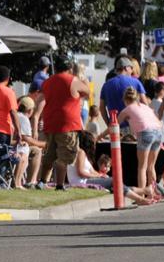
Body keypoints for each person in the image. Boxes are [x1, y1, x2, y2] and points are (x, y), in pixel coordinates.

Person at [37, 55, 91, 190]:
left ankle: (42, 181)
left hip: (51, 122)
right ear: (70, 67)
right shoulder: (73, 80)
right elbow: (87, 92)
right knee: (65, 154)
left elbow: (42, 98)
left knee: (50, 154)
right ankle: (60, 185)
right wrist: (83, 81)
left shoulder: (47, 81)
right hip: (68, 124)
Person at [117, 86, 163, 199]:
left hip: (145, 133)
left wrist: (99, 137)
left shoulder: (127, 109)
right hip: (158, 132)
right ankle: (153, 193)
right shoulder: (145, 107)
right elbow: (157, 121)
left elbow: (113, 126)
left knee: (142, 167)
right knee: (151, 167)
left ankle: (142, 195)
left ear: (125, 100)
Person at [99, 56, 147, 131]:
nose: (132, 71)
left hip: (115, 128)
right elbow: (145, 104)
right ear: (126, 68)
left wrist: (109, 124)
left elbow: (102, 108)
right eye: (131, 68)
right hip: (134, 127)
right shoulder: (136, 82)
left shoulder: (106, 85)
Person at [0, 65, 20, 153]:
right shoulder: (8, 92)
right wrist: (18, 131)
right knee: (1, 162)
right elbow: (13, 113)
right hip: (1, 131)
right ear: (8, 79)